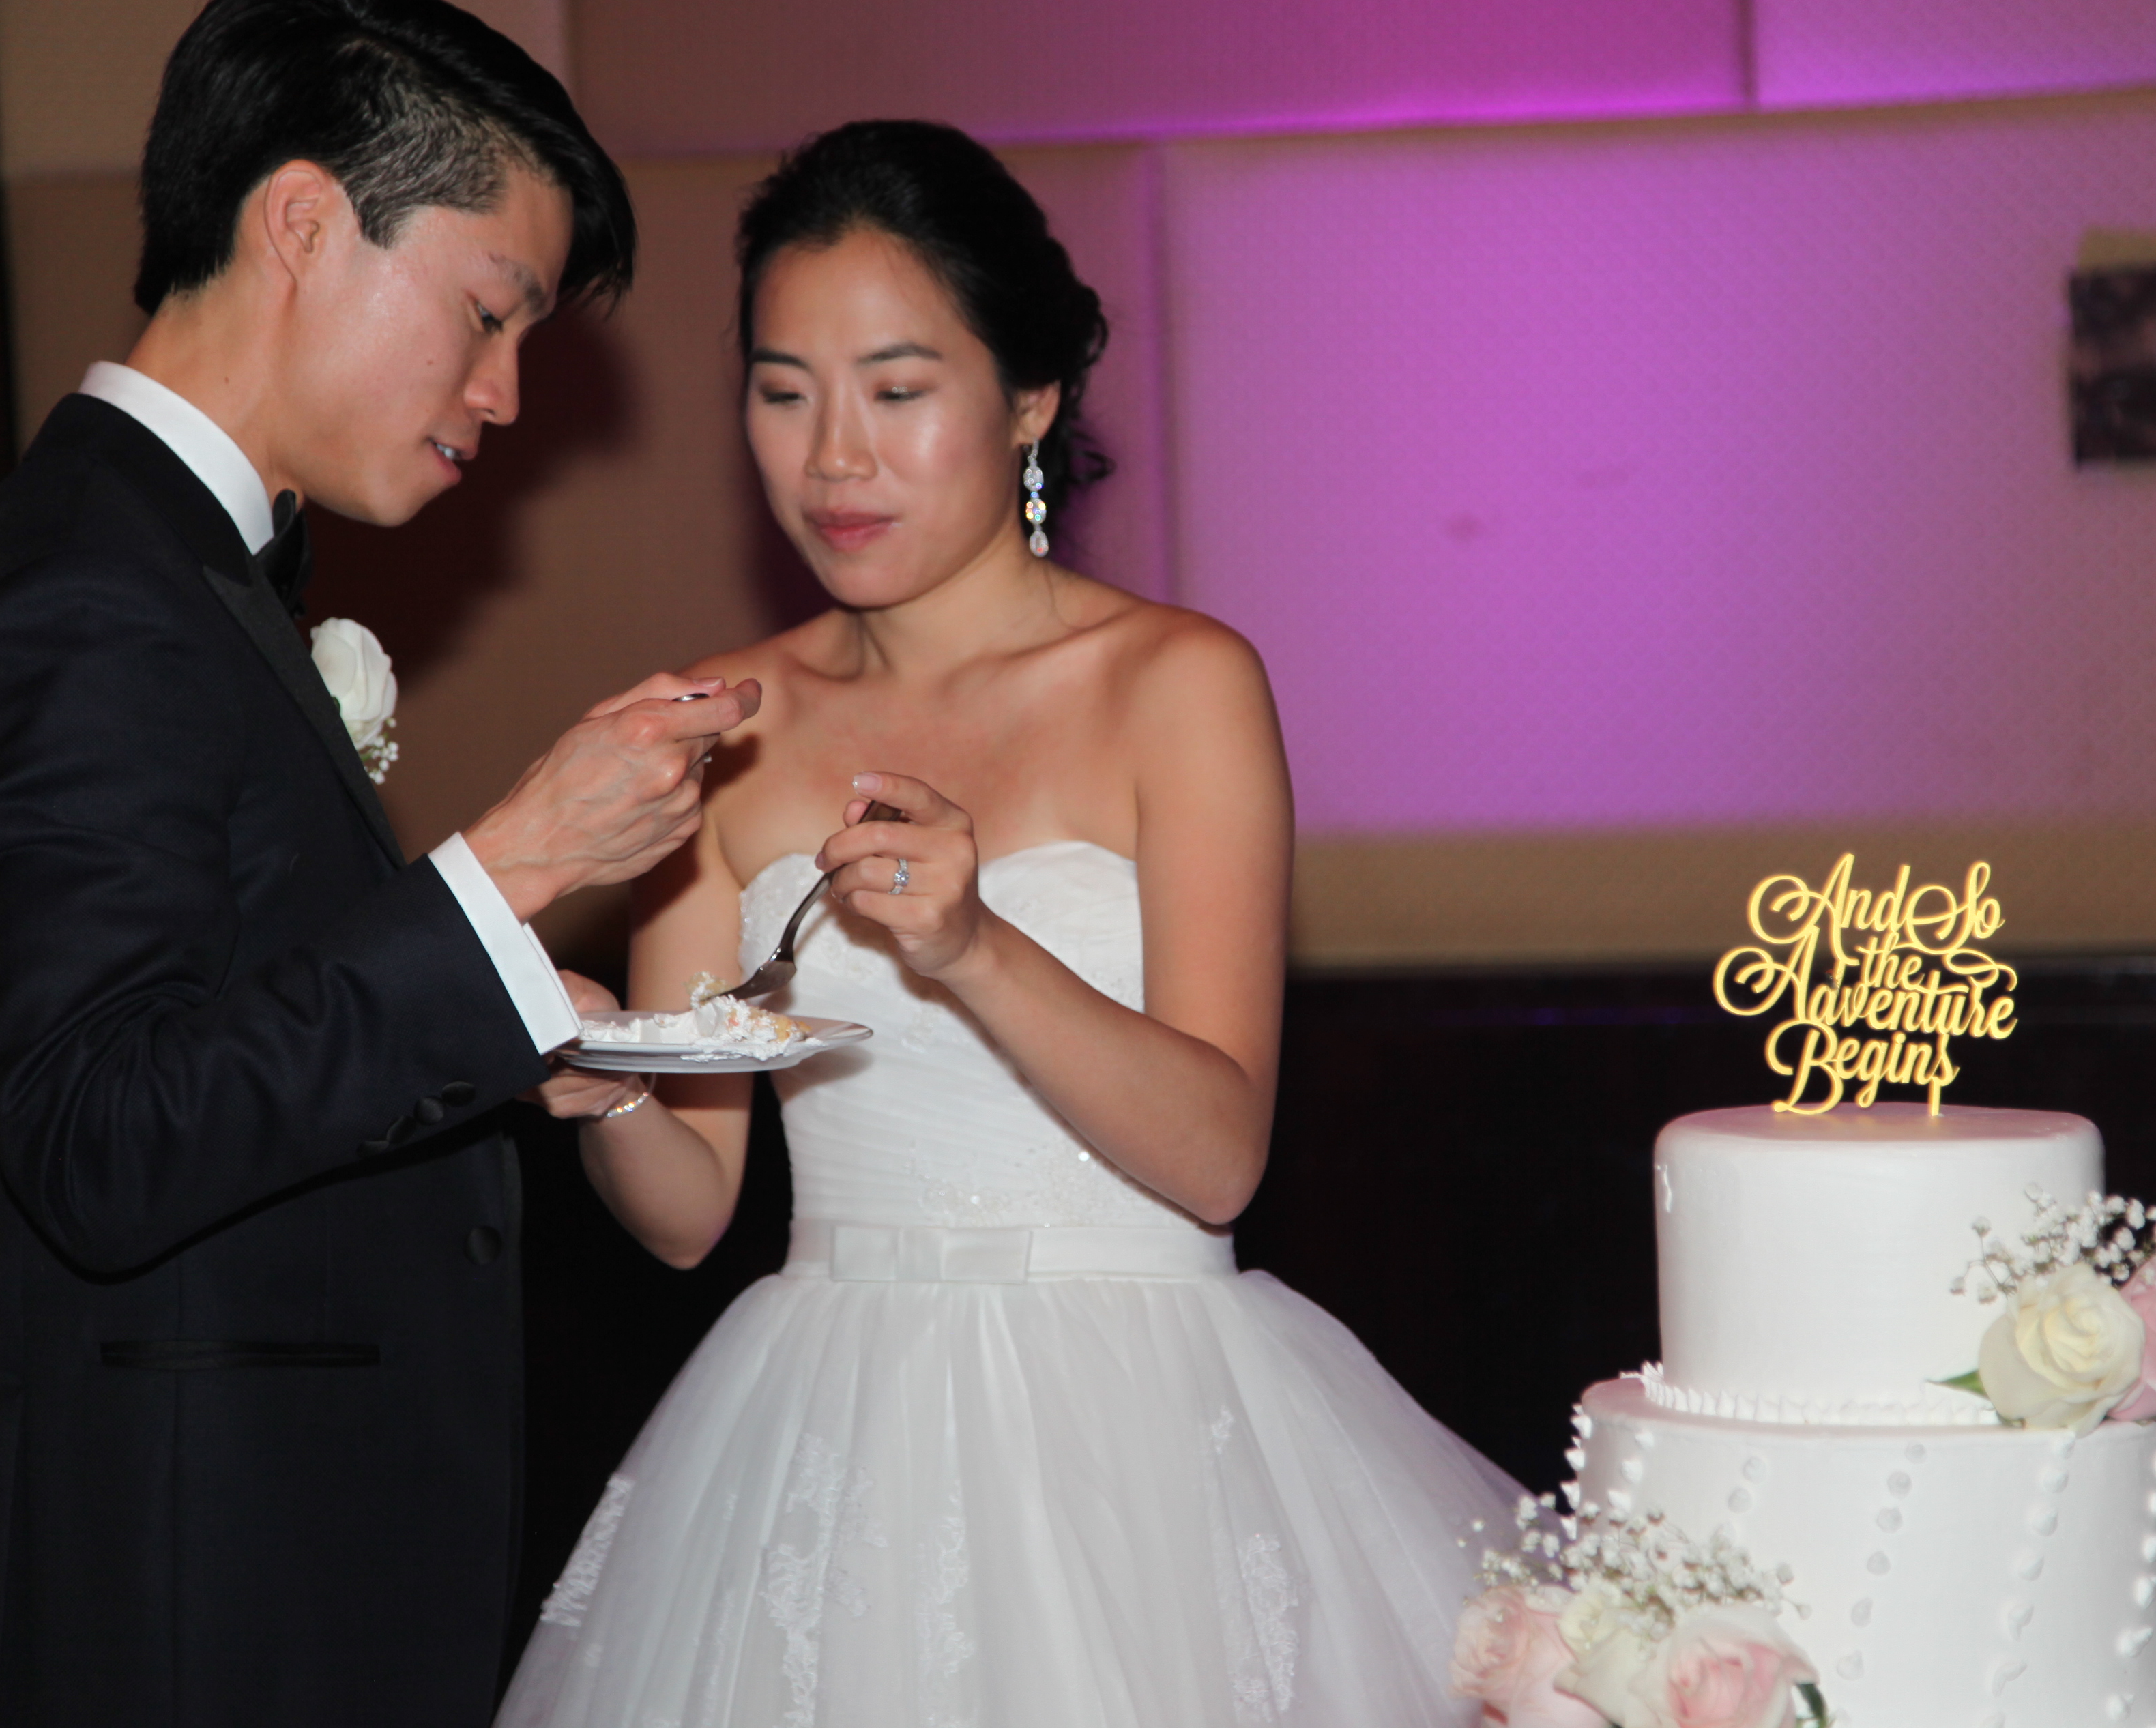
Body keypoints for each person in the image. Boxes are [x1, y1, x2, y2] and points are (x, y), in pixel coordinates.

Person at [499, 119, 1515, 1727]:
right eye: (784, 392)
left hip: (1145, 1423)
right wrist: (603, 1072)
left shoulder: (1177, 684)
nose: (834, 458)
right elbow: (690, 1209)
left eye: (897, 390)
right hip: (829, 1431)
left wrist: (973, 949)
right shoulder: (722, 720)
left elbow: (1218, 1156)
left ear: (1030, 397)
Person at [0, 0, 753, 1726]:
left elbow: (222, 1035)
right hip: (158, 1607)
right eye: (488, 312)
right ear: (303, 223)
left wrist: (502, 1028)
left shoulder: (166, 564)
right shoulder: (90, 590)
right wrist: (507, 871)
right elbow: (104, 1136)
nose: (507, 393)